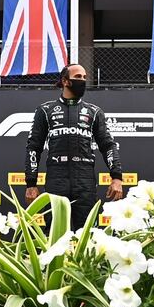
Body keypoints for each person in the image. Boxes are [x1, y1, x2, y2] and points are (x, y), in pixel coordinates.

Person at [25, 64, 123, 229]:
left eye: (85, 77)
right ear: (65, 81)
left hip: (85, 180)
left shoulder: (94, 112)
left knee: (87, 236)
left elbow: (108, 146)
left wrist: (117, 178)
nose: (83, 80)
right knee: (53, 237)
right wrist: (31, 184)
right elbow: (34, 147)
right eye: (78, 77)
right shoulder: (45, 110)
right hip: (56, 179)